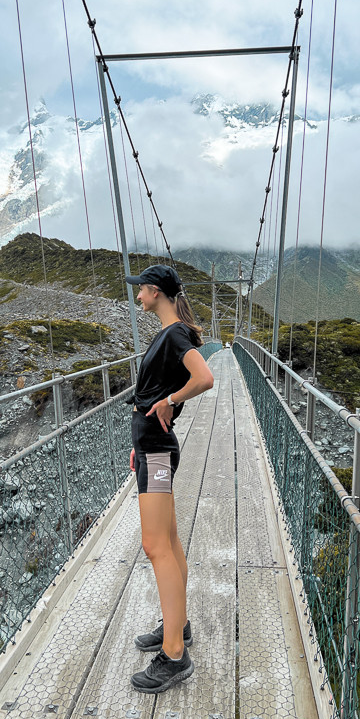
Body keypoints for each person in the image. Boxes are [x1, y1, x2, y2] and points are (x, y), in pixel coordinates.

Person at [124, 264, 215, 694]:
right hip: (151, 449)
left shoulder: (174, 334)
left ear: (155, 292)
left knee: (155, 544)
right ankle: (176, 625)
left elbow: (205, 377)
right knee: (171, 541)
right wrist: (138, 445)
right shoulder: (168, 333)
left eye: (140, 289)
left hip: (158, 451)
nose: (136, 295)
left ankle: (175, 655)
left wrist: (170, 401)